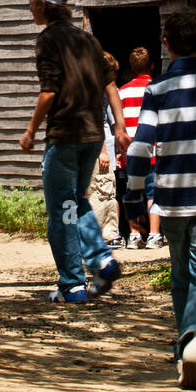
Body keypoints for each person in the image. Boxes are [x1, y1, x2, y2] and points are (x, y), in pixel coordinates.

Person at [123, 8, 196, 389]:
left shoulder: (156, 91)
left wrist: (135, 199)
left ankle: (183, 347)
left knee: (181, 274)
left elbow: (140, 149)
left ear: (166, 44)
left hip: (170, 201)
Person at [18, 0, 130, 304]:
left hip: (65, 136)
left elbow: (49, 91)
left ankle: (72, 285)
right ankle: (102, 260)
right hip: (93, 137)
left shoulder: (48, 41)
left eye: (33, 2)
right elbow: (111, 87)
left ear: (44, 6)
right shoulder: (90, 41)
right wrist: (120, 128)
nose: (30, 7)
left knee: (60, 210)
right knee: (76, 202)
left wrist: (30, 131)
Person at [117, 47, 162, 249]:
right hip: (153, 150)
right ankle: (154, 235)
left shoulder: (122, 92)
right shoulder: (158, 89)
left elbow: (119, 124)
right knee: (153, 194)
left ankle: (134, 236)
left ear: (131, 68)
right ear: (152, 66)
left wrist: (120, 151)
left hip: (131, 151)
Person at [86, 51, 120, 246]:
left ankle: (105, 236)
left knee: (99, 192)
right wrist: (103, 151)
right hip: (100, 152)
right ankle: (99, 236)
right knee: (103, 194)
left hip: (96, 151)